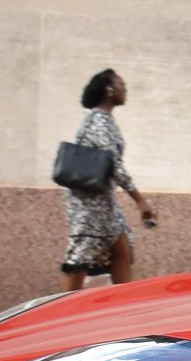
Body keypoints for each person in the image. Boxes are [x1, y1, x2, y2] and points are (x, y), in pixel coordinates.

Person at [59, 69, 159, 290]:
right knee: (79, 257)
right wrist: (140, 201)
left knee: (121, 249)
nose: (126, 89)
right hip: (90, 206)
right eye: (121, 84)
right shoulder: (98, 122)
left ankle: (123, 308)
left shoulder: (104, 120)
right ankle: (61, 310)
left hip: (104, 204)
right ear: (109, 89)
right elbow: (114, 165)